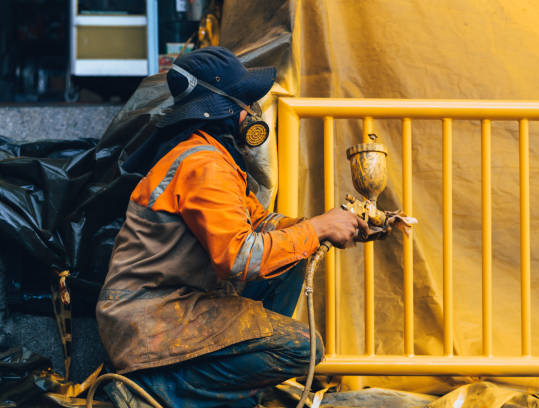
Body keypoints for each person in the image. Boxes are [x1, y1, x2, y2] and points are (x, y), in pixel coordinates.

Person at [96, 46, 369, 408]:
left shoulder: (211, 156)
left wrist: (326, 225)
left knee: (293, 258)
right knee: (304, 349)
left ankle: (218, 388)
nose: (251, 112)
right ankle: (158, 390)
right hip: (150, 318)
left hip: (171, 308)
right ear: (222, 107)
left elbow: (260, 224)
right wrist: (316, 228)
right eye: (245, 102)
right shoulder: (203, 164)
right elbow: (239, 257)